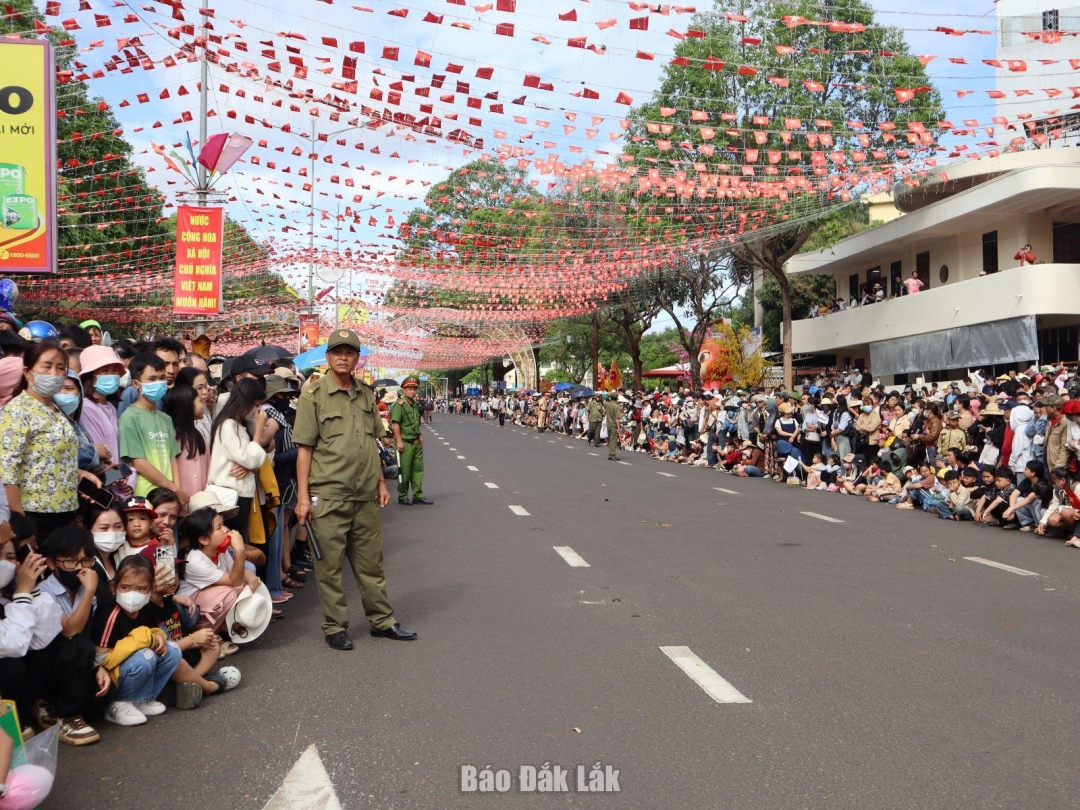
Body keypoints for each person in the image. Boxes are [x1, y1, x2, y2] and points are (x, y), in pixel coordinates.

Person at [293, 330, 416, 650]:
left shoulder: (365, 394)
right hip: (329, 495)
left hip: (364, 496)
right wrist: (303, 499)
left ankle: (382, 620)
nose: (343, 357)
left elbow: (372, 443)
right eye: (337, 352)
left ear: (357, 357)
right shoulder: (314, 395)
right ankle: (335, 626)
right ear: (329, 357)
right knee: (330, 568)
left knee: (371, 565)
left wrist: (379, 482)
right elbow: (304, 448)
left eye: (350, 352)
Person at [0, 342, 90, 540]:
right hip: (33, 515)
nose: (54, 373)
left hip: (62, 513)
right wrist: (21, 524)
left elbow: (46, 457)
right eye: (46, 366)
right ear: (27, 372)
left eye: (60, 368)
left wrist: (78, 473)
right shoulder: (17, 411)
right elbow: (7, 473)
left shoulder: (55, 410)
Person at [95, 555, 182, 726]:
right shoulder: (110, 614)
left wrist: (157, 635)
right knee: (146, 655)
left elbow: (150, 632)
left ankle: (142, 699)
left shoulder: (145, 608)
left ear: (152, 589)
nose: (132, 594)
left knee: (172, 650)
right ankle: (119, 704)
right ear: (113, 587)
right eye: (125, 587)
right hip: (111, 675)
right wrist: (144, 639)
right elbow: (101, 658)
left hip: (133, 665)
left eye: (141, 589)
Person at [119, 353, 185, 504]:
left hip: (169, 496)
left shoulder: (166, 419)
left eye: (162, 378)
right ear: (136, 384)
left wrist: (177, 490)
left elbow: (172, 458)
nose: (159, 383)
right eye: (152, 379)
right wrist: (174, 489)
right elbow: (139, 463)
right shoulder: (129, 417)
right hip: (145, 496)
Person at [391, 376, 432, 506]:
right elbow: (396, 424)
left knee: (418, 470)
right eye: (410, 389)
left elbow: (415, 422)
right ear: (403, 389)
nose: (413, 391)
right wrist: (399, 441)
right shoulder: (399, 405)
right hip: (405, 443)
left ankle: (418, 495)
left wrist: (419, 435)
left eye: (414, 389)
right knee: (405, 470)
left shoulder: (414, 404)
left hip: (415, 442)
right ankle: (402, 495)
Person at [603, 392, 621, 460]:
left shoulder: (607, 404)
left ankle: (610, 453)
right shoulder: (616, 406)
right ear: (616, 398)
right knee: (613, 440)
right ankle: (612, 455)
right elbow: (617, 418)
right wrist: (618, 427)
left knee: (610, 439)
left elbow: (604, 406)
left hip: (608, 423)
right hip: (613, 424)